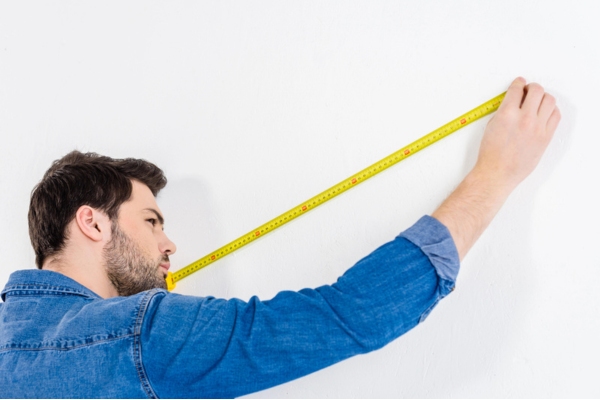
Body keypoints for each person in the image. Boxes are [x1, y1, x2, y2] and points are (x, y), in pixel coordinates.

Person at [0, 77, 560, 398]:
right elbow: (347, 317)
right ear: (92, 222)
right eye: (151, 222)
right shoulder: (141, 332)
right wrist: (495, 176)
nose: (171, 248)